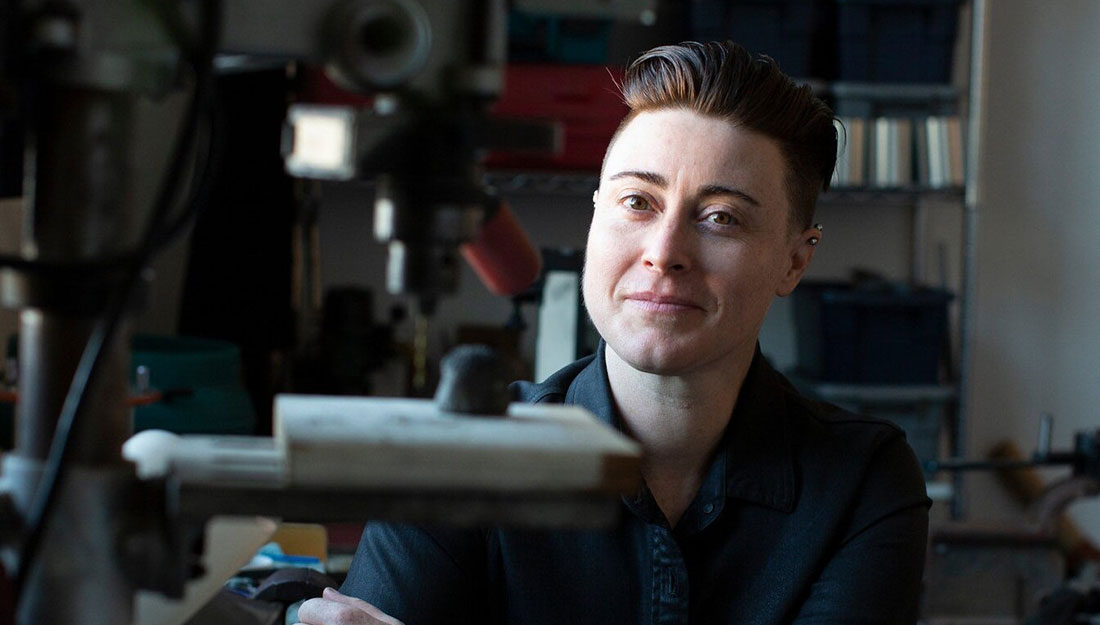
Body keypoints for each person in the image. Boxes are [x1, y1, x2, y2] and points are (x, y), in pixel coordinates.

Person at [296, 40, 930, 625]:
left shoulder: (862, 481)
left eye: (721, 217)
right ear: (595, 215)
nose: (665, 251)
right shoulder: (450, 461)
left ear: (795, 260)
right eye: (638, 202)